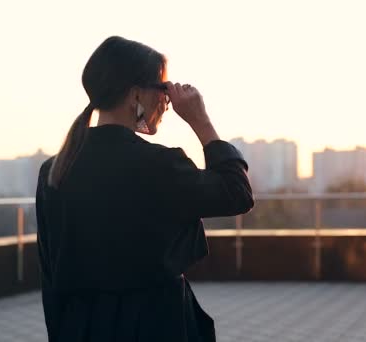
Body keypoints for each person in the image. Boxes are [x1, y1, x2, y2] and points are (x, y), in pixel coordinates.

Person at [35, 36, 254, 342]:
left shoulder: (55, 169)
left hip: (82, 326)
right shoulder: (160, 165)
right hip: (155, 324)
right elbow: (237, 193)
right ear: (135, 93)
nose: (166, 101)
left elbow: (50, 275)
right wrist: (201, 121)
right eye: (163, 89)